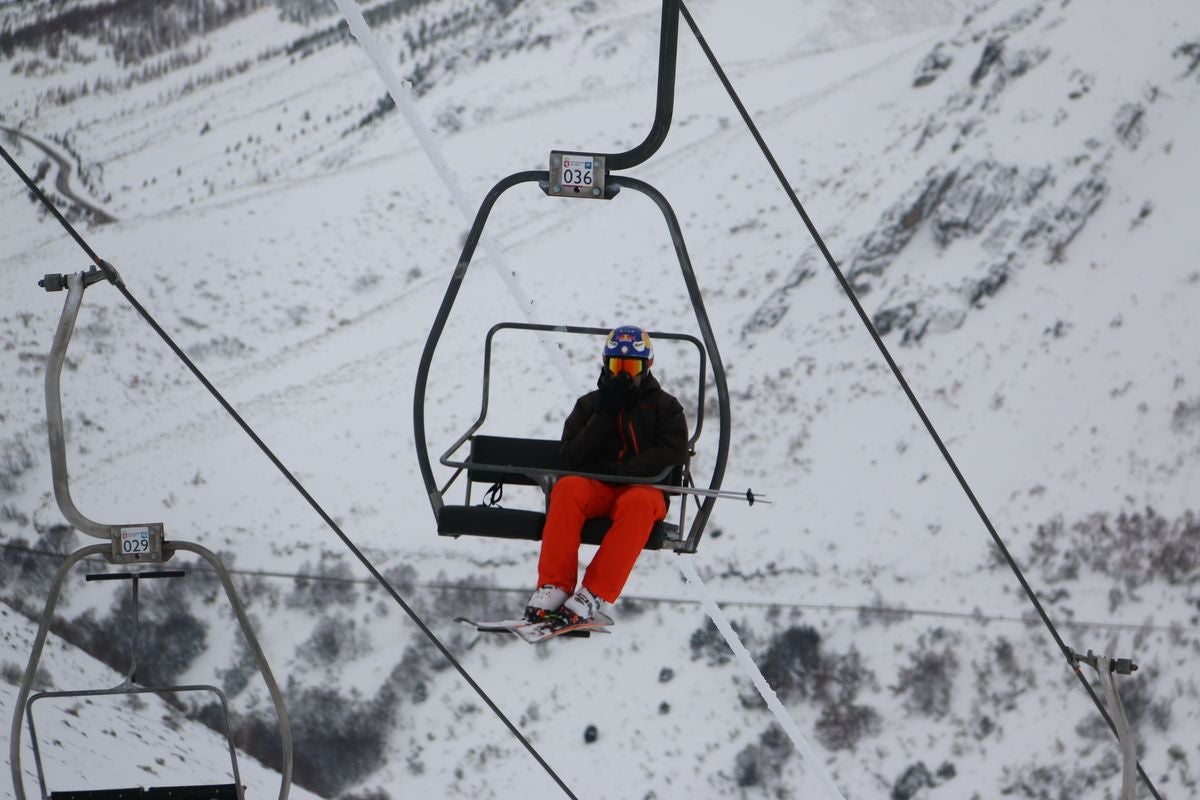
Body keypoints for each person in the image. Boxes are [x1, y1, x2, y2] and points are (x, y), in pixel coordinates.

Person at [525, 325, 689, 626]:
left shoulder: (665, 408)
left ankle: (593, 593)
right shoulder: (591, 406)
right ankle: (555, 587)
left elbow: (672, 452)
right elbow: (571, 456)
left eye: (631, 366)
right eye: (616, 365)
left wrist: (627, 471)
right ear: (606, 364)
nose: (623, 374)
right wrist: (605, 414)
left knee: (637, 503)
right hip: (600, 490)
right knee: (568, 489)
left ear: (647, 365)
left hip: (645, 491)